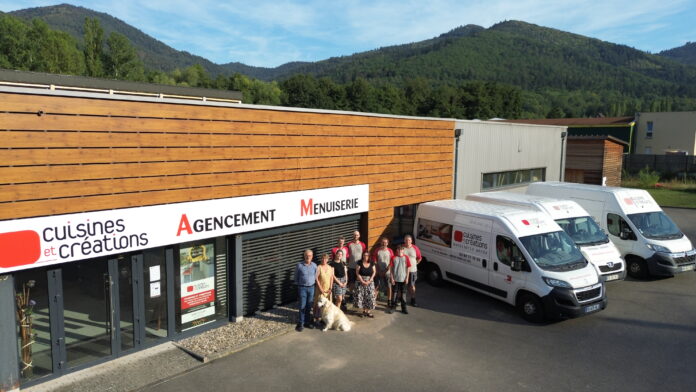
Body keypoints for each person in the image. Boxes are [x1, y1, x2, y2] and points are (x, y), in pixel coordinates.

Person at [294, 249, 318, 332]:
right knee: (302, 306)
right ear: (304, 256)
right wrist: (299, 286)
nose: (308, 257)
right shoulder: (299, 265)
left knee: (309, 306)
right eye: (307, 255)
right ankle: (301, 323)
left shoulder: (314, 265)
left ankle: (307, 322)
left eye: (310, 256)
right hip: (302, 288)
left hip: (311, 288)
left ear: (312, 257)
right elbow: (296, 277)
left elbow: (316, 277)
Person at [371, 237, 394, 306]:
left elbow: (391, 262)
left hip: (387, 272)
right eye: (383, 242)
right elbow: (375, 261)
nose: (384, 244)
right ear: (381, 243)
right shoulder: (377, 250)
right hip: (378, 271)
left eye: (385, 242)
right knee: (376, 286)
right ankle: (373, 300)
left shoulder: (390, 251)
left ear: (387, 243)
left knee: (389, 286)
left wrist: (385, 271)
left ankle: (389, 301)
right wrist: (378, 270)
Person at [390, 245, 411, 314]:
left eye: (401, 250)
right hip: (395, 279)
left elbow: (408, 268)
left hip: (404, 279)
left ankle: (404, 308)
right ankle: (393, 307)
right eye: (398, 250)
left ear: (403, 250)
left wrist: (407, 278)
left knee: (403, 294)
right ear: (397, 250)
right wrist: (392, 278)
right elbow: (391, 269)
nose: (400, 251)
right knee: (395, 294)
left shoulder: (406, 257)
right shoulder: (393, 257)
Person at [313, 253, 334, 324]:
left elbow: (331, 278)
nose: (324, 260)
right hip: (320, 289)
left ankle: (324, 318)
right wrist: (320, 289)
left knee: (326, 305)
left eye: (326, 258)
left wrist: (330, 288)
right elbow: (316, 279)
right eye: (323, 258)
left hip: (328, 290)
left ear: (328, 260)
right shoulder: (319, 267)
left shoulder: (330, 267)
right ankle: (317, 318)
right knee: (318, 304)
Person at [354, 251, 376, 317]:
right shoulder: (359, 263)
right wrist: (362, 281)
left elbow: (374, 272)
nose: (365, 256)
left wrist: (370, 280)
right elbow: (357, 272)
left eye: (367, 255)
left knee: (370, 296)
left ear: (369, 256)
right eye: (364, 255)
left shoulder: (372, 263)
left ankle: (368, 312)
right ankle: (364, 311)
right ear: (362, 255)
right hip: (360, 282)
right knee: (363, 296)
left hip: (370, 282)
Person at [402, 234, 422, 307]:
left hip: (413, 271)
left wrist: (415, 263)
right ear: (404, 240)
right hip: (403, 271)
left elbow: (419, 258)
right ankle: (401, 300)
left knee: (412, 286)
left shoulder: (415, 248)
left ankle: (413, 300)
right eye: (406, 240)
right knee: (403, 285)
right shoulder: (402, 248)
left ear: (411, 241)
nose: (407, 241)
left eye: (409, 240)